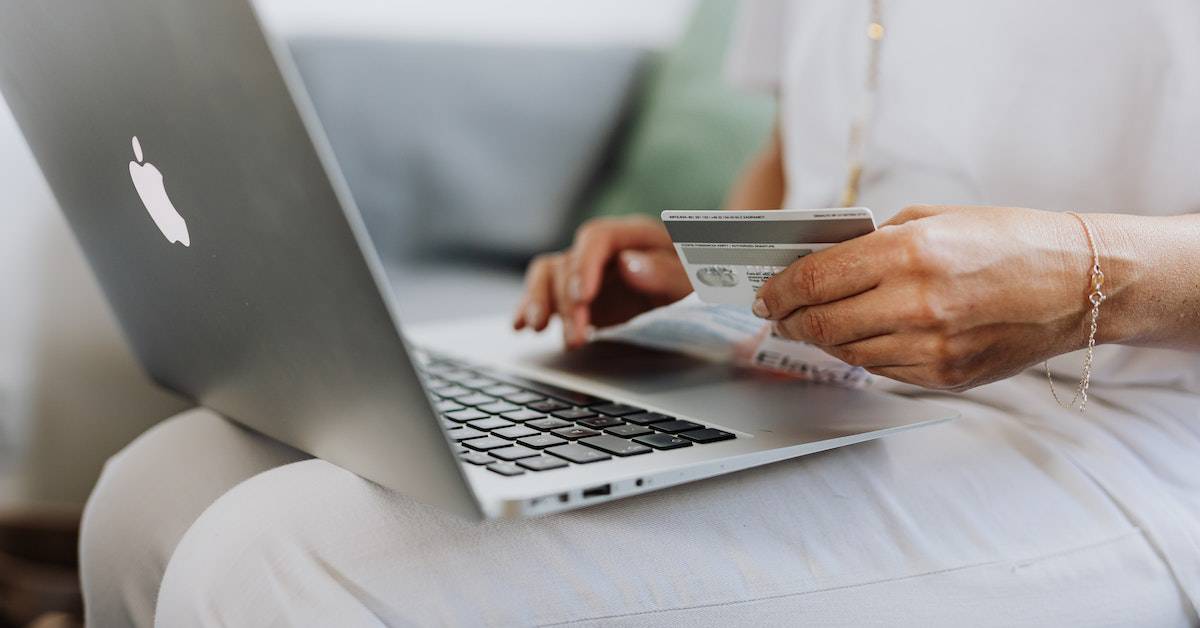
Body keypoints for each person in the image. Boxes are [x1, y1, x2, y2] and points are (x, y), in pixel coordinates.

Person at [81, 2, 1200, 626]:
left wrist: (1081, 273)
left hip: (1106, 429)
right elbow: (794, 153)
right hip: (821, 381)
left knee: (269, 565)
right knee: (159, 490)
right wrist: (717, 262)